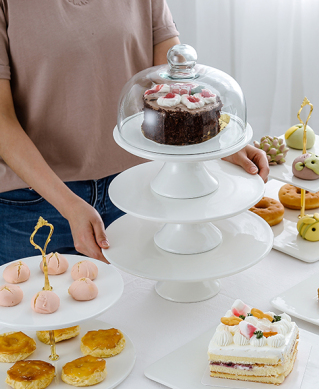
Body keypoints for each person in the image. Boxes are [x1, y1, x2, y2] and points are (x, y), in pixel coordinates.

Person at [0, 0, 268, 266]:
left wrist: (218, 140)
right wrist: (68, 205)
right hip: (33, 204)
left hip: (138, 188)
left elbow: (173, 84)